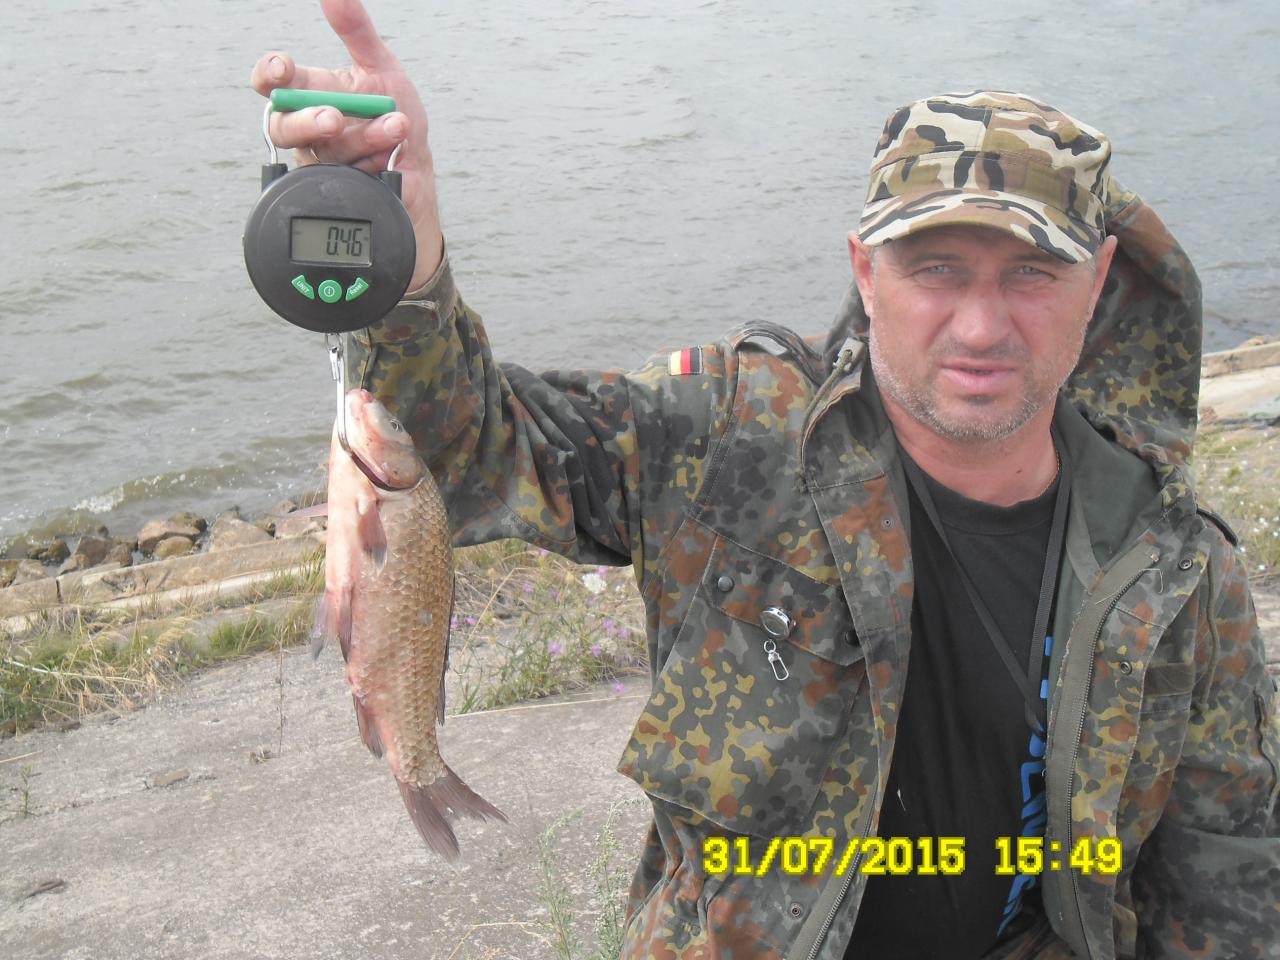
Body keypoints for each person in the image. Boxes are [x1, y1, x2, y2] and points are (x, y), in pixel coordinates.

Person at [252, 2, 1280, 957]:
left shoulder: (1179, 573)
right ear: (864, 271)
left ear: (1097, 283)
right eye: (934, 270)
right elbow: (467, 451)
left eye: (1031, 274)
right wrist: (402, 253)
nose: (979, 326)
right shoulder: (725, 438)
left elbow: (1225, 876)